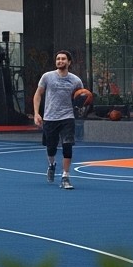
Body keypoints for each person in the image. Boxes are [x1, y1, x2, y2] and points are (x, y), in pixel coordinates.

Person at [33, 49, 83, 190]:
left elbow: (81, 98)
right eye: (58, 59)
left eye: (63, 59)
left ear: (69, 62)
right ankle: (52, 164)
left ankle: (65, 176)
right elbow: (38, 95)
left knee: (67, 146)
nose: (60, 61)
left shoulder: (76, 80)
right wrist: (36, 113)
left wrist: (82, 106)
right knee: (51, 149)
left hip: (67, 117)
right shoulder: (47, 77)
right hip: (50, 117)